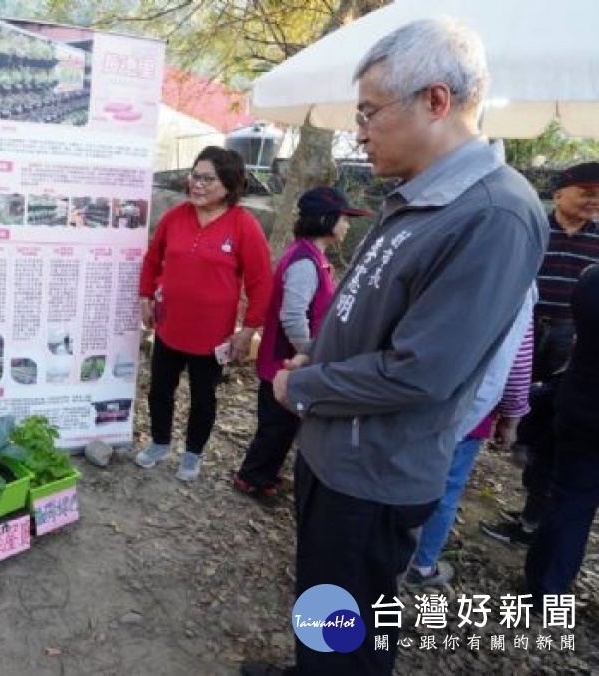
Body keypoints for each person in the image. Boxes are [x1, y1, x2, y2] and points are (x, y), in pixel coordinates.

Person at [261, 19, 548, 676]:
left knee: (353, 630)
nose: (358, 131)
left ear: (436, 101)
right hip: (338, 449)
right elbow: (377, 317)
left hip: (376, 470)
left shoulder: (493, 214)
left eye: (368, 112)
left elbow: (421, 372)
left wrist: (300, 385)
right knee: (326, 600)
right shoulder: (420, 196)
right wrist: (318, 360)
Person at [480, 161, 599, 546]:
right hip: (523, 324)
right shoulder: (533, 227)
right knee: (510, 391)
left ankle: (534, 492)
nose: (592, 201)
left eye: (598, 195)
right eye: (586, 191)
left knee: (553, 417)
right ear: (560, 192)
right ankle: (508, 438)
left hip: (570, 334)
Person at [136, 146, 271, 482]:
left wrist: (249, 329)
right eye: (195, 176)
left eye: (207, 178)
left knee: (203, 396)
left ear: (229, 183)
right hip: (169, 325)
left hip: (213, 335)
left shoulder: (244, 225)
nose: (196, 184)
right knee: (160, 389)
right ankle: (159, 442)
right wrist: (145, 296)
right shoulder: (175, 217)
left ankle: (193, 453)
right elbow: (153, 260)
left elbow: (260, 281)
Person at [232, 187, 370, 500]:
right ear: (325, 219)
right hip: (284, 361)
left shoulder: (311, 256)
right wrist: (308, 353)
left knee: (282, 425)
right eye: (344, 218)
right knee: (276, 427)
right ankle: (252, 479)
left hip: (290, 360)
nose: (347, 225)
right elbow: (293, 315)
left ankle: (264, 474)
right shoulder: (304, 263)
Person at [404, 293, 534, 587]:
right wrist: (512, 418)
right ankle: (421, 564)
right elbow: (516, 357)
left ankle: (388, 551)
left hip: (415, 395)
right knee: (445, 487)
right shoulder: (520, 280)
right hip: (468, 405)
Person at [524, 264, 599, 605]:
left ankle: (545, 589)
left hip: (583, 411)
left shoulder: (591, 280)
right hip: (582, 412)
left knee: (570, 503)